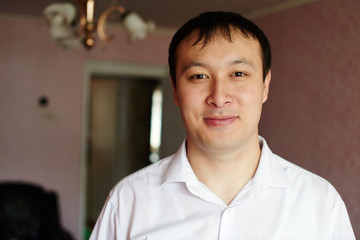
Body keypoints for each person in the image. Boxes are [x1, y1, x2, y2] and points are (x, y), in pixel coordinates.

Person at [89, 11, 355, 239]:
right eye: (199, 76)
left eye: (238, 74)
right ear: (175, 90)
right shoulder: (128, 202)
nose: (218, 97)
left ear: (265, 85)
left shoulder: (319, 202)